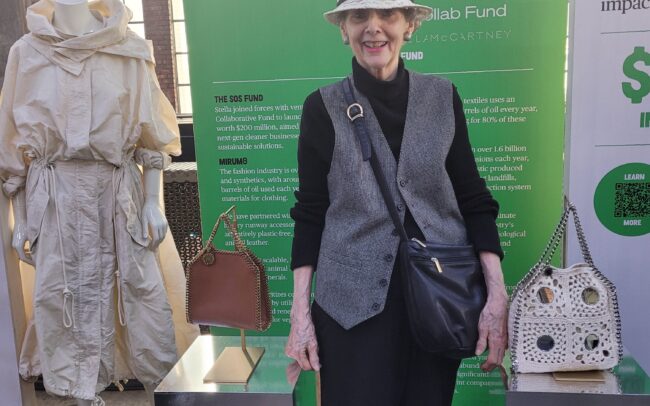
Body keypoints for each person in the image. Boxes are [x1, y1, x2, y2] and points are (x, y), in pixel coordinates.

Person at [285, 1, 508, 404]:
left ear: (409, 26)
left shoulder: (443, 98)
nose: (373, 28)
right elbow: (310, 213)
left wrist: (497, 294)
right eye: (358, 16)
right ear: (343, 29)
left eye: (387, 15)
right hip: (350, 310)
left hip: (438, 298)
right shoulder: (321, 108)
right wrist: (299, 312)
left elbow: (473, 196)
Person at [0, 0, 181, 404]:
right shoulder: (25, 53)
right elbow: (13, 143)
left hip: (115, 193)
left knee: (137, 294)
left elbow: (152, 138)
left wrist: (152, 202)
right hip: (54, 198)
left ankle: (154, 388)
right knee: (60, 295)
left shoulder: (130, 48)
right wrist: (23, 217)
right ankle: (79, 393)